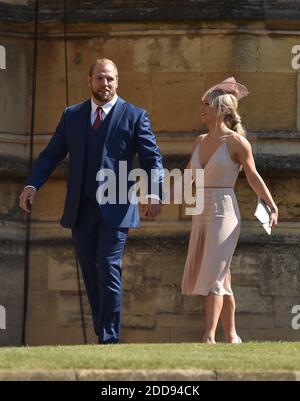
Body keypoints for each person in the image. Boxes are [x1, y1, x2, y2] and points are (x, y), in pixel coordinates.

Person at [19, 58, 163, 344]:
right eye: (100, 78)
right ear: (89, 81)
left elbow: (152, 159)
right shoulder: (72, 115)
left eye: (110, 78)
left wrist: (153, 192)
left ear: (117, 81)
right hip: (81, 208)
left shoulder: (135, 115)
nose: (105, 84)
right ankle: (102, 331)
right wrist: (32, 184)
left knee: (108, 267)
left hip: (118, 206)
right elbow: (51, 155)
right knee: (89, 270)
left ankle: (109, 338)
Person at [181, 77, 278, 343]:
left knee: (213, 272)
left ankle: (209, 337)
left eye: (206, 104)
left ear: (221, 109)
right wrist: (156, 196)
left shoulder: (236, 143)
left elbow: (253, 176)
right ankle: (233, 335)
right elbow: (187, 179)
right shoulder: (199, 141)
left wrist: (270, 203)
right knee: (222, 276)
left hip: (224, 212)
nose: (201, 108)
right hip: (201, 211)